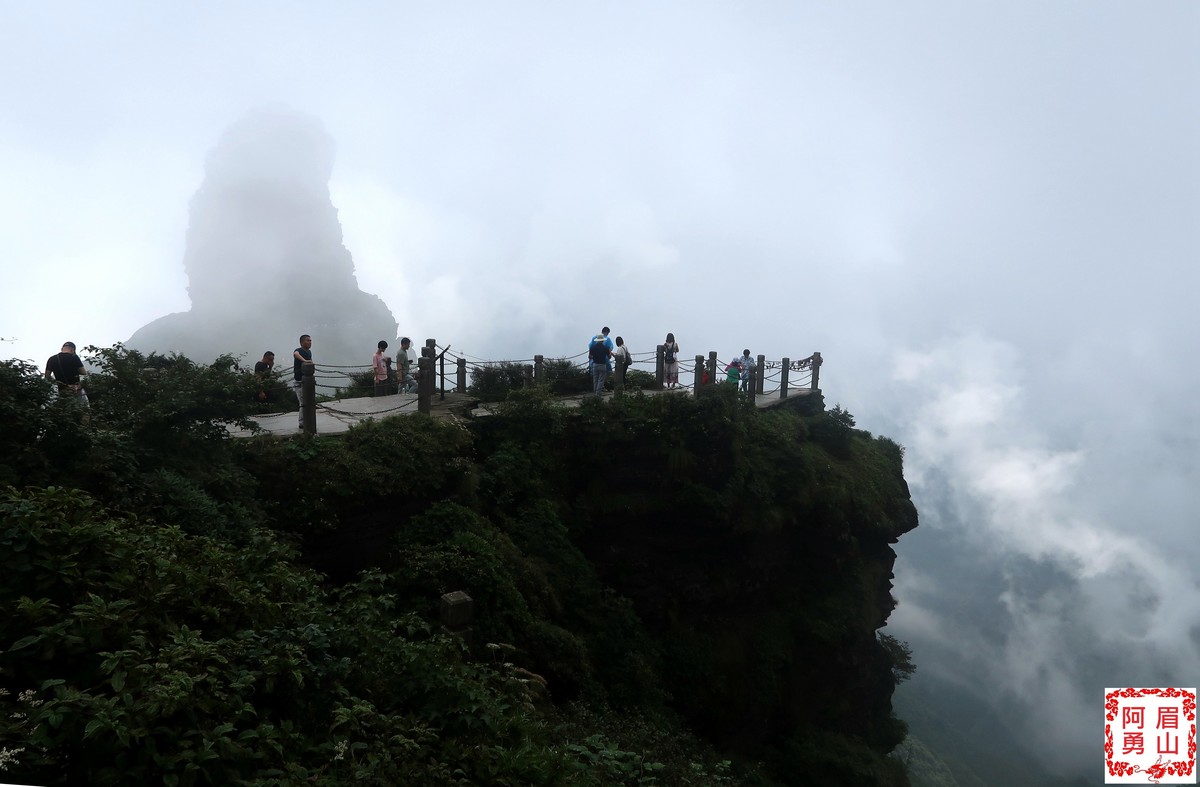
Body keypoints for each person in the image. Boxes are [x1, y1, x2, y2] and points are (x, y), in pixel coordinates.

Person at [293, 334, 313, 428]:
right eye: (307, 340)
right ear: (302, 342)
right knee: (303, 402)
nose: (310, 342)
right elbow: (295, 354)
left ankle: (308, 420)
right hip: (299, 382)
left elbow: (310, 361)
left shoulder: (309, 352)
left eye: (310, 341)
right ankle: (302, 423)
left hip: (308, 381)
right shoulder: (299, 350)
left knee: (308, 401)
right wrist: (305, 361)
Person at [587, 326, 614, 396]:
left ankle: (595, 392)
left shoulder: (593, 347)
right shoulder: (605, 346)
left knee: (595, 379)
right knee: (601, 379)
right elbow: (609, 354)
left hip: (594, 364)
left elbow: (590, 355)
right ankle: (598, 393)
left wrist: (594, 357)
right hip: (603, 364)